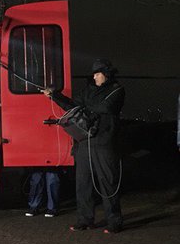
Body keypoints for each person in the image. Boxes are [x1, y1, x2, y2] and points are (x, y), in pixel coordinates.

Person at [43, 58, 125, 234]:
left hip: (104, 143)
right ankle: (85, 220)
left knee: (107, 183)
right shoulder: (89, 90)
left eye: (97, 74)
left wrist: (85, 107)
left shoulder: (117, 90)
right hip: (84, 143)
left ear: (106, 74)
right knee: (83, 183)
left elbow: (106, 107)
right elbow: (73, 106)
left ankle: (114, 221)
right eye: (94, 74)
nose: (94, 77)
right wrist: (55, 95)